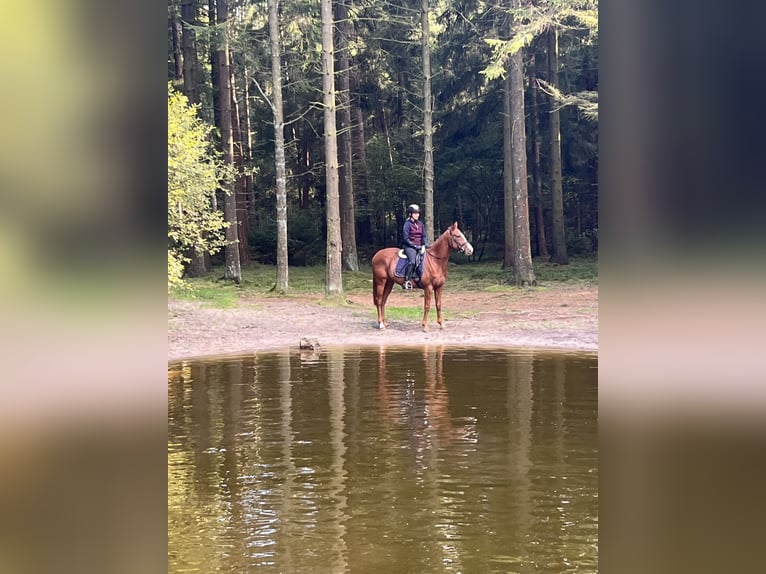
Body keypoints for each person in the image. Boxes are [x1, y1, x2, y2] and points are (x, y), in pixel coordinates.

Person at [402, 203, 428, 289]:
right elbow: (406, 238)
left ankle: (419, 278)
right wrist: (415, 246)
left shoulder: (420, 224)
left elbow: (423, 236)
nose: (417, 215)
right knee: (413, 261)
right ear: (410, 214)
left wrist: (425, 244)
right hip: (409, 246)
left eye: (418, 213)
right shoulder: (407, 224)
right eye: (415, 213)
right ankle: (406, 281)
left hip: (420, 246)